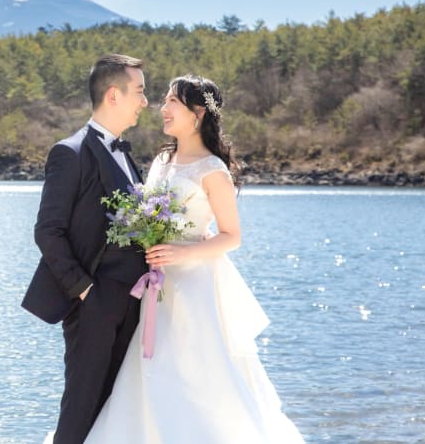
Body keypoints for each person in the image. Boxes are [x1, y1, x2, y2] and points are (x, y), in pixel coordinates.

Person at [84, 74, 304, 444]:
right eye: (165, 100)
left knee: (196, 372)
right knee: (151, 371)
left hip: (195, 288)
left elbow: (232, 236)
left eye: (172, 101)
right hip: (159, 283)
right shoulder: (162, 159)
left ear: (197, 113)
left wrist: (182, 251)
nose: (162, 108)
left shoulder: (213, 170)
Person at [22, 54, 150, 444]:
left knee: (114, 411)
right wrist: (84, 290)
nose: (146, 101)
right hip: (93, 305)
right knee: (80, 412)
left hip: (134, 304)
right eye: (140, 92)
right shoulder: (70, 153)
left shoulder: (127, 154)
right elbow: (48, 230)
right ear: (114, 95)